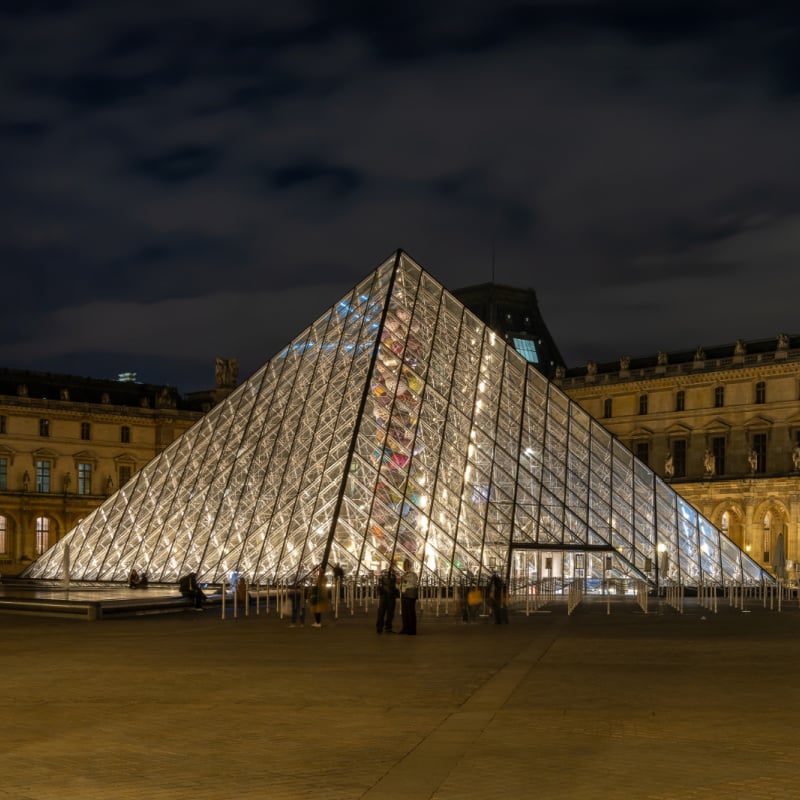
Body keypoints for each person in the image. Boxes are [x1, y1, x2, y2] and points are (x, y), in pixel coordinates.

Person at [375, 566, 399, 634]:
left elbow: (380, 584)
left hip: (386, 595)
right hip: (389, 595)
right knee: (387, 612)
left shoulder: (385, 573)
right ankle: (386, 627)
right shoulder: (391, 574)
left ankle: (380, 627)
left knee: (383, 612)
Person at [399, 559, 418, 635]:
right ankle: (405, 628)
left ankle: (411, 629)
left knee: (410, 612)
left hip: (410, 595)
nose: (404, 567)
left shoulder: (412, 574)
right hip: (405, 594)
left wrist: (403, 579)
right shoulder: (404, 575)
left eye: (406, 565)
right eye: (404, 565)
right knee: (405, 612)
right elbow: (402, 585)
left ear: (409, 566)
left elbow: (413, 581)